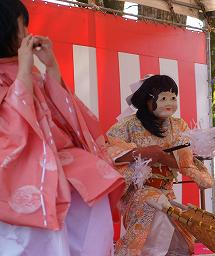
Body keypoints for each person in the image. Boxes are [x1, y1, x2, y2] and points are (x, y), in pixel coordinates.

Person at [0, 1, 124, 255]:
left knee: (95, 182)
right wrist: (24, 68)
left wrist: (51, 66)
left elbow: (61, 117)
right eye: (22, 28)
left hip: (55, 163)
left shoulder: (27, 69)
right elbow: (11, 130)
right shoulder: (20, 69)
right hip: (18, 175)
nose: (27, 36)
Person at [107, 74, 214, 256]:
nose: (169, 103)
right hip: (139, 193)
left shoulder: (179, 125)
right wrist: (142, 153)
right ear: (147, 99)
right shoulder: (128, 125)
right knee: (157, 208)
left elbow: (185, 161)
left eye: (173, 98)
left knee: (180, 234)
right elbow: (108, 152)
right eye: (163, 98)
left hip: (166, 191)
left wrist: (162, 158)